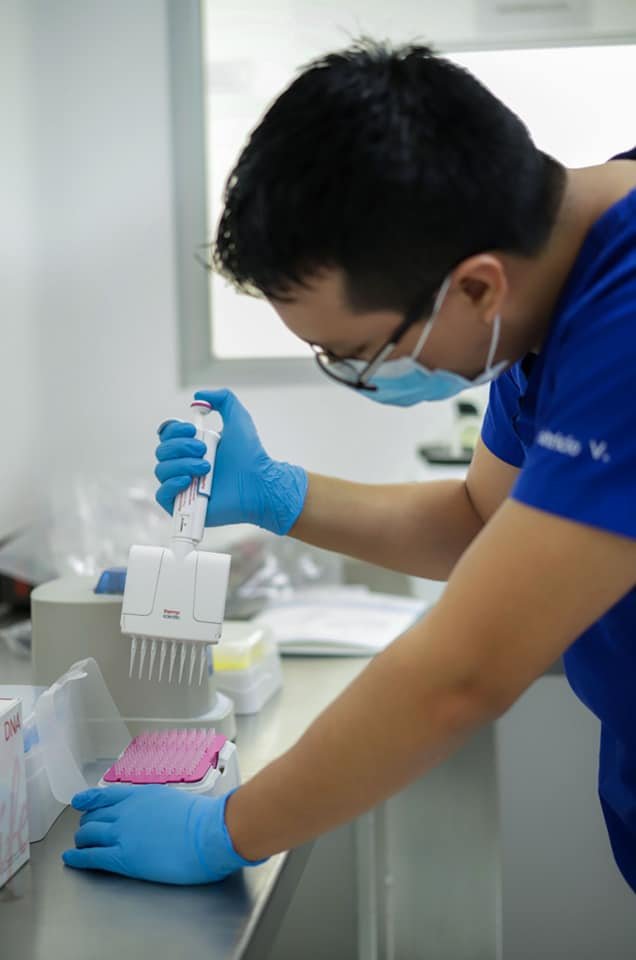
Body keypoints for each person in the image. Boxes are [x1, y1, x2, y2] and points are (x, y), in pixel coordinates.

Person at [63, 40, 636, 894]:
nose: (357, 379)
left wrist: (226, 828)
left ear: (476, 289)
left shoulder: (622, 319)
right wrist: (277, 493)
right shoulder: (556, 286)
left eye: (358, 355)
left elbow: (464, 672)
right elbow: (486, 524)